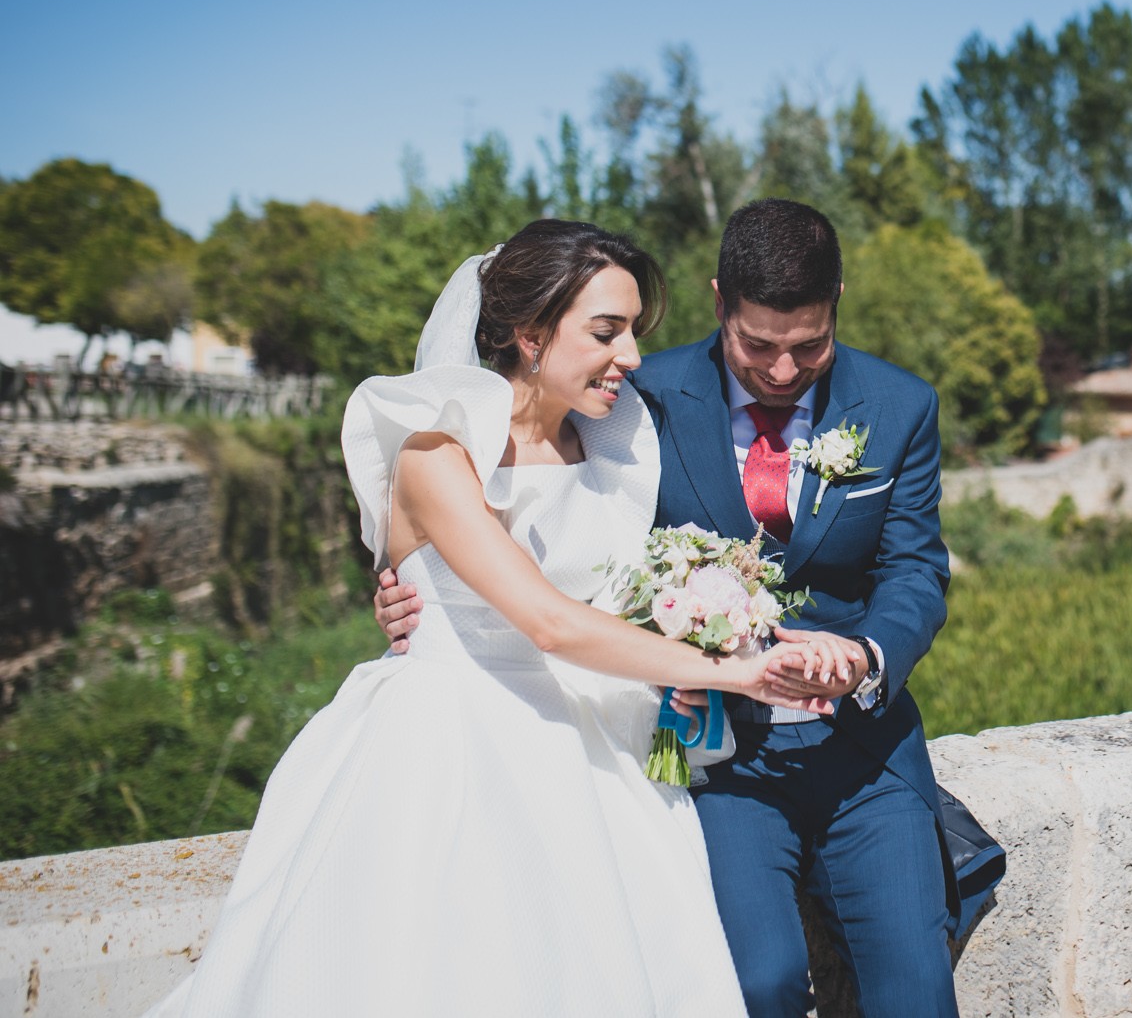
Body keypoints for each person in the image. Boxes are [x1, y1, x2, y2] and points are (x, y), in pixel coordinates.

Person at [147, 220, 838, 1017]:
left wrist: (695, 645)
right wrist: (735, 671)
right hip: (453, 745)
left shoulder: (615, 447)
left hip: (598, 744)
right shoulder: (436, 452)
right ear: (529, 333)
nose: (633, 358)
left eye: (634, 332)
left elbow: (619, 596)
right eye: (607, 332)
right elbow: (546, 619)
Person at [379, 199, 959, 1018]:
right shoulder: (632, 403)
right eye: (759, 344)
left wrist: (864, 656)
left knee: (918, 987)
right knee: (750, 983)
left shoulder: (901, 405)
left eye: (809, 345)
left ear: (837, 303)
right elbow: (532, 561)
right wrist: (424, 590)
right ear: (721, 302)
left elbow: (916, 572)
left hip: (863, 750)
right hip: (713, 754)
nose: (784, 371)